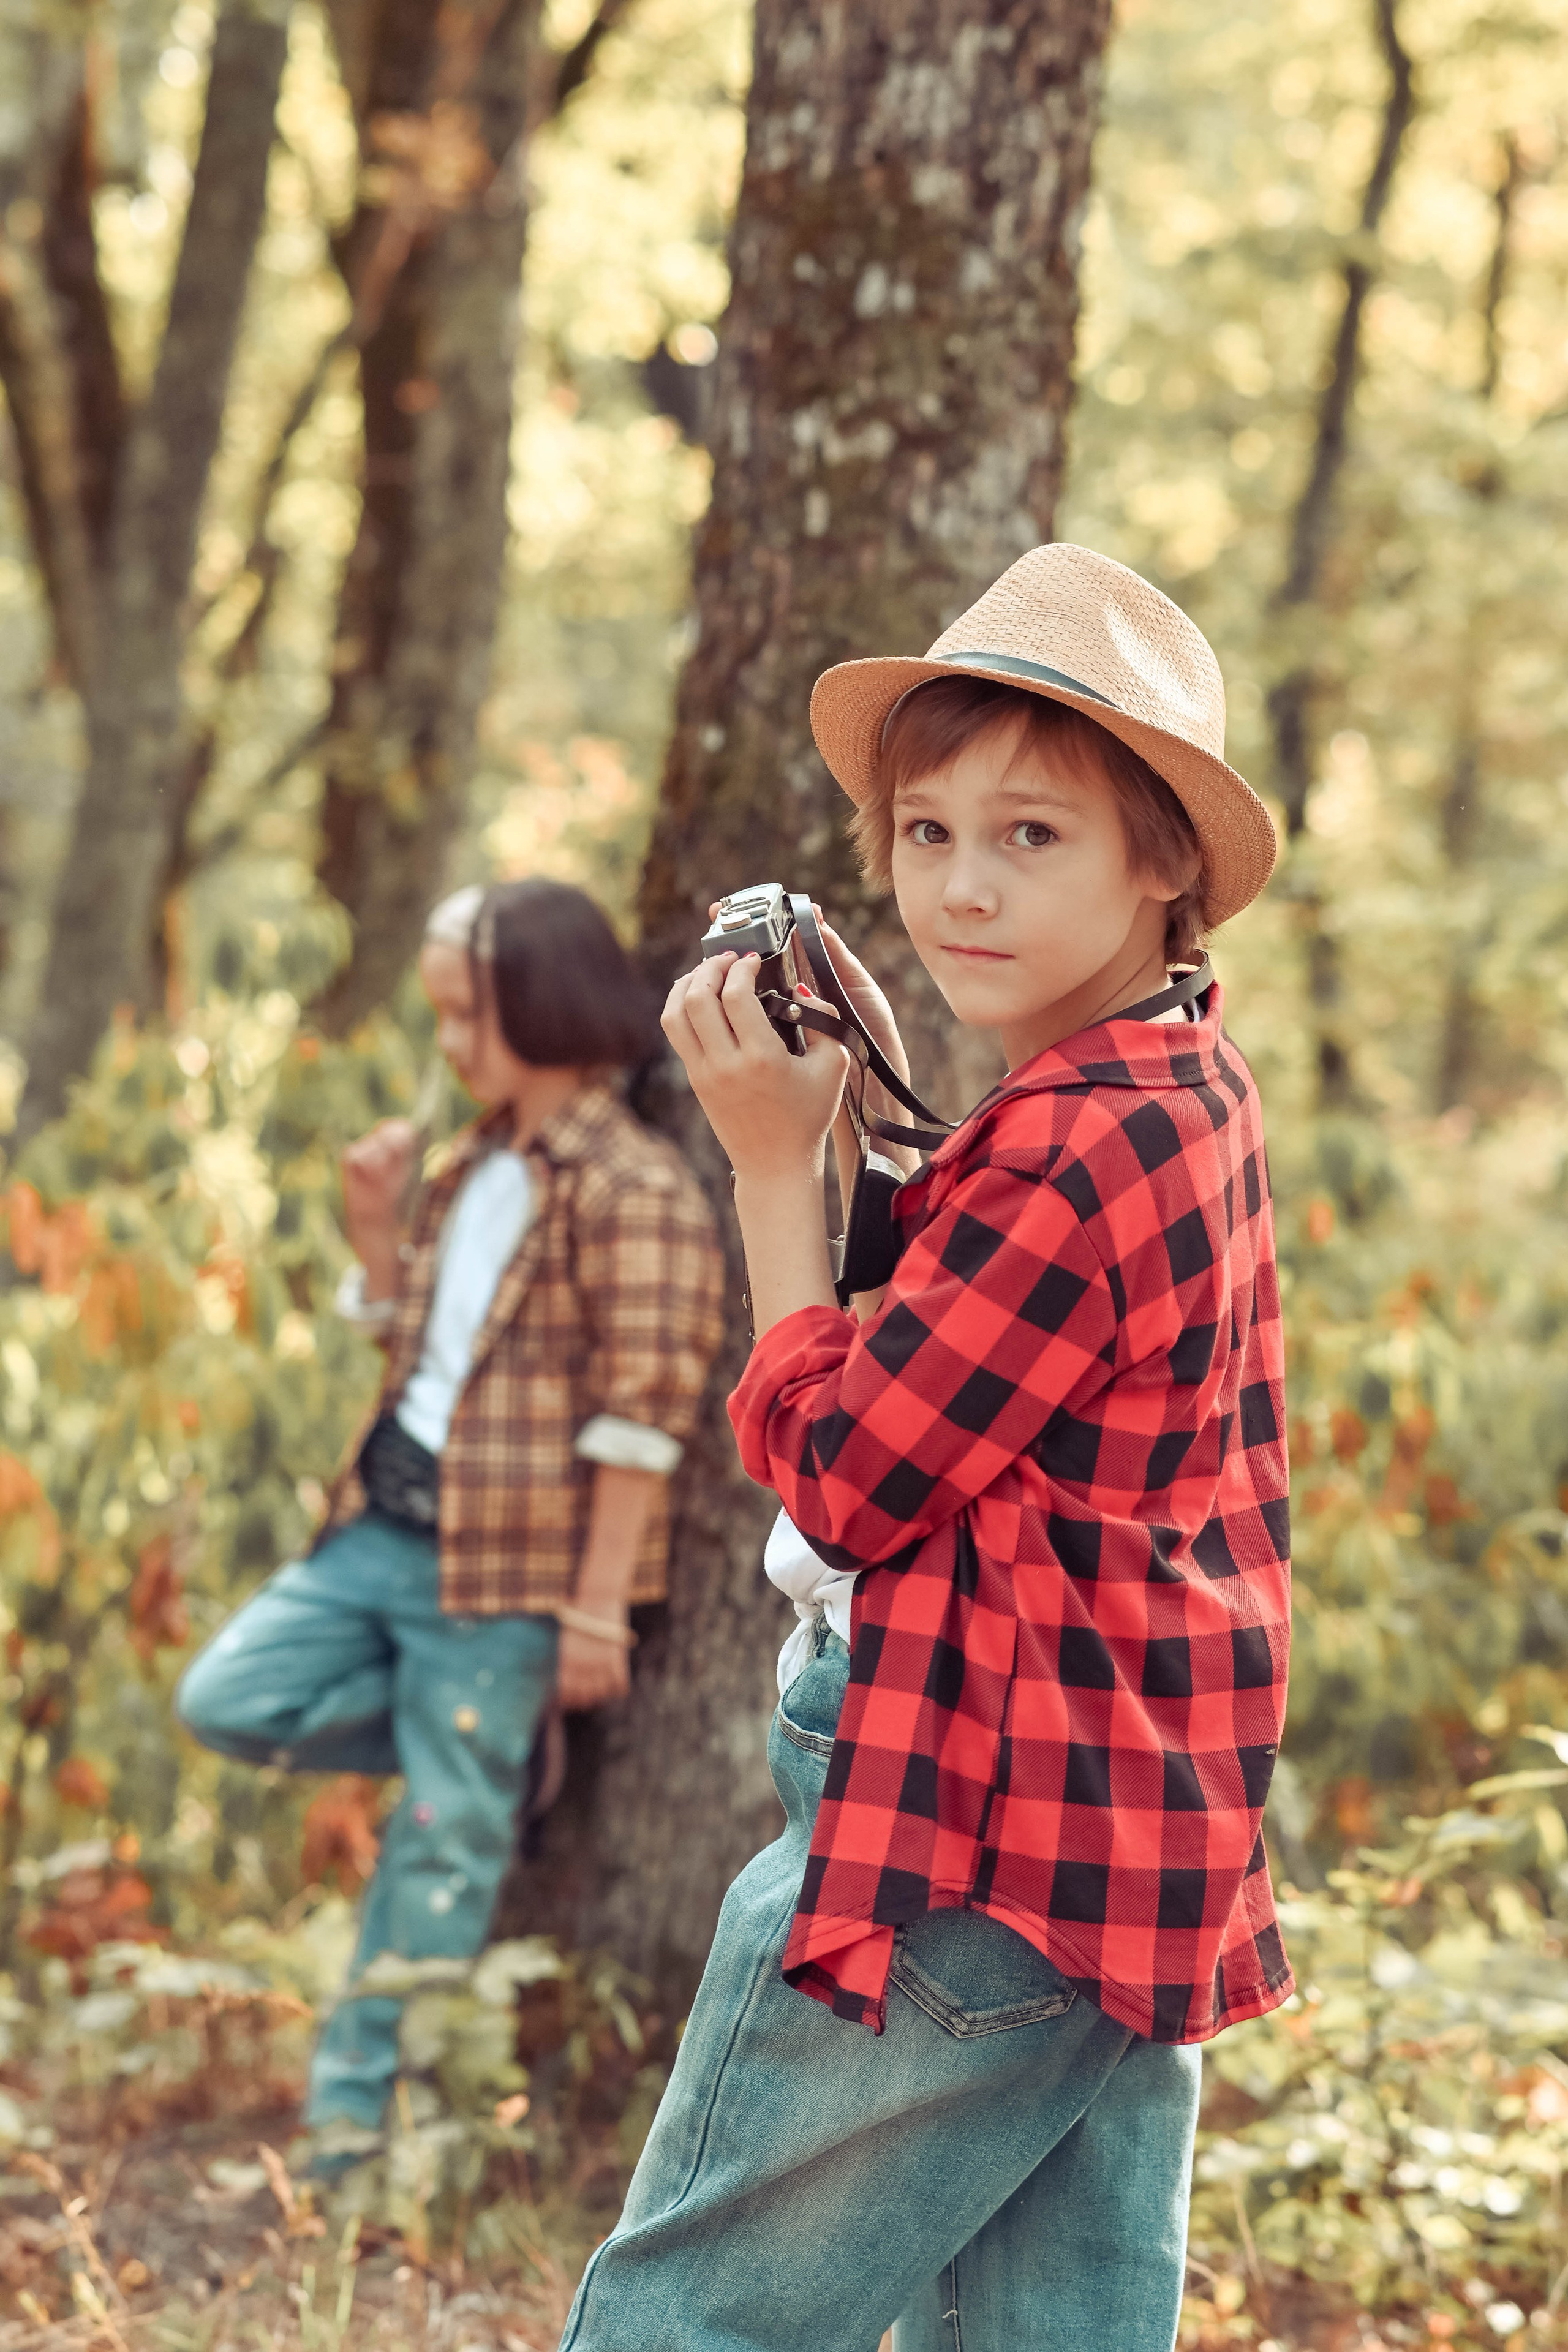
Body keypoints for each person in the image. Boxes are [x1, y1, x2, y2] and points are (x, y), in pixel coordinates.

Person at [561, 543, 1293, 2352]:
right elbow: (988, 1376)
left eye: (1032, 837)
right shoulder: (1171, 1089)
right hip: (1126, 1831)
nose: (962, 887)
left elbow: (852, 1477)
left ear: (1164, 861)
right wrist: (883, 1131)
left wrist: (761, 1167)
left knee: (690, 2321)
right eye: (928, 832)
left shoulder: (1071, 1147)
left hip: (962, 1820)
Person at [176, 877, 724, 2163]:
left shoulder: (631, 1190)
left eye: (465, 1014)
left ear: (540, 1004)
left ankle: (350, 2140)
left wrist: (589, 1611)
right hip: (379, 1532)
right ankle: (470, 1757)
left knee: (433, 1869)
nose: (446, 1043)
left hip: (507, 1580)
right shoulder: (467, 1164)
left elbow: (642, 1417)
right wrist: (377, 1240)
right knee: (227, 1700)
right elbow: (427, 1350)